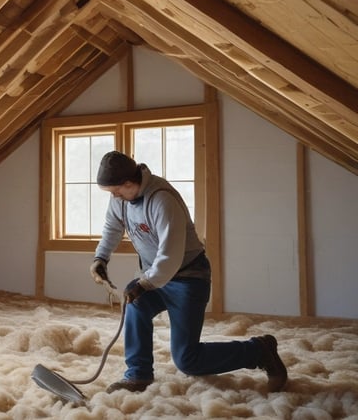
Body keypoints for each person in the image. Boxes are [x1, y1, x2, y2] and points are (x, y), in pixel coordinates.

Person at [89, 150, 287, 393]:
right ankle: (138, 375)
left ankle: (259, 350)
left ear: (129, 183)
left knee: (188, 360)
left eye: (116, 191)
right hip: (156, 275)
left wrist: (143, 284)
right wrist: (101, 258)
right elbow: (112, 226)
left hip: (188, 279)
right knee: (135, 305)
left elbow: (170, 257)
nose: (114, 196)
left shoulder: (162, 199)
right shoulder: (121, 198)